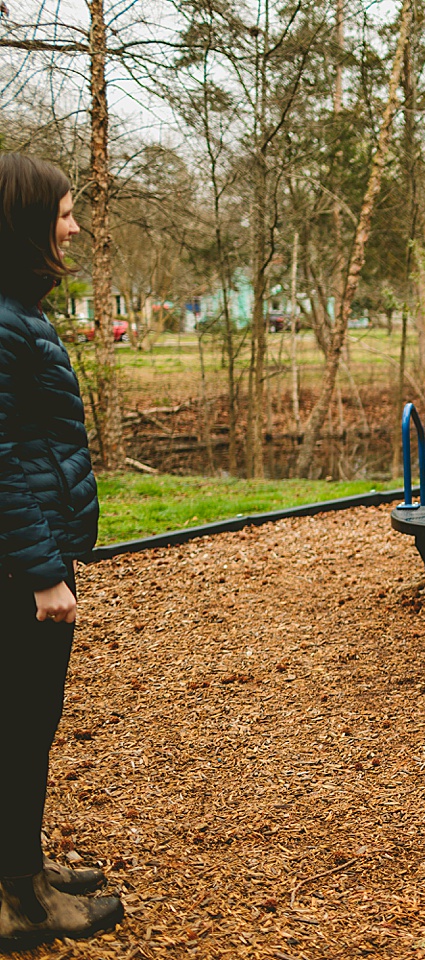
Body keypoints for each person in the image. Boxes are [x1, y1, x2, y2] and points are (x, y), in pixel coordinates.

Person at [0, 153, 124, 944]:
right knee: (20, 726)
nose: (73, 226)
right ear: (25, 220)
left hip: (27, 554)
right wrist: (43, 574)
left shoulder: (16, 311)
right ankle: (20, 902)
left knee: (24, 727)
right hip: (19, 568)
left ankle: (26, 870)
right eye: (65, 212)